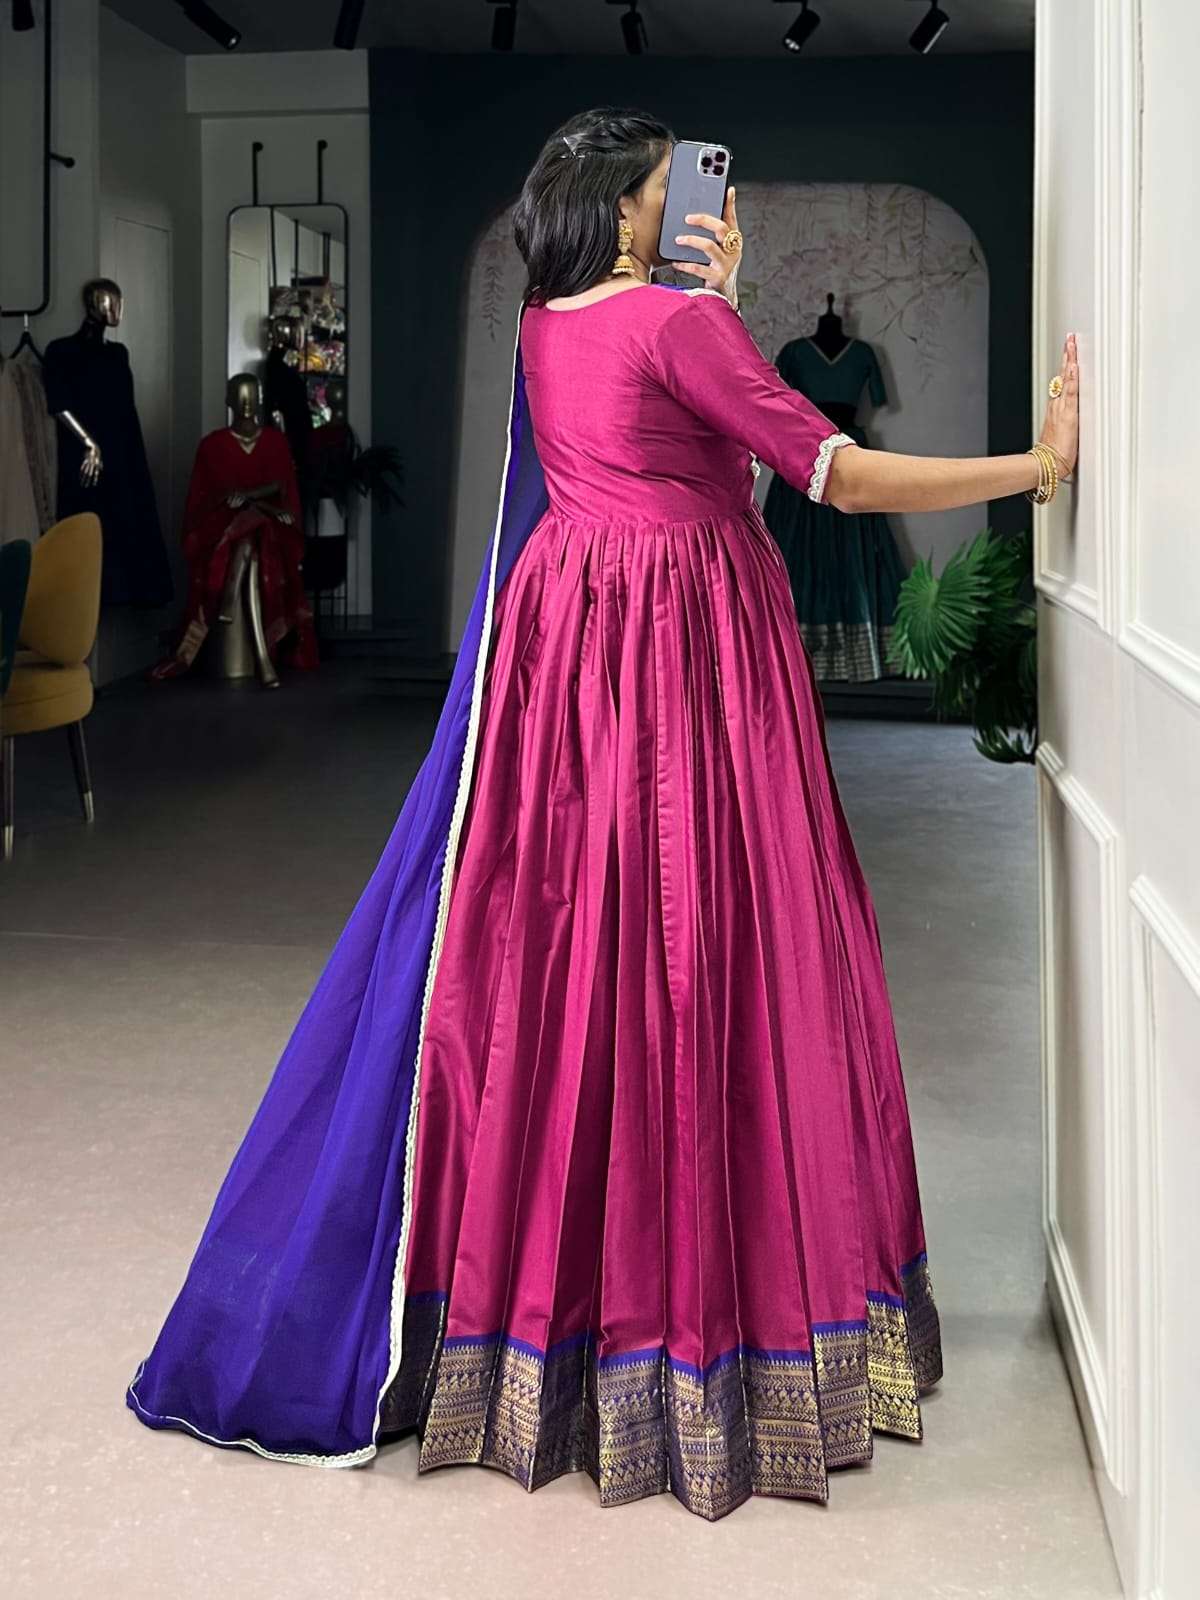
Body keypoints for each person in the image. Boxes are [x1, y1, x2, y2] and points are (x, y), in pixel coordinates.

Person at [125, 107, 1079, 1523]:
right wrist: (1036, 469)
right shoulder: (676, 326)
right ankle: (697, 1330)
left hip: (565, 644)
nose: (680, 200)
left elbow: (664, 437)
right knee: (710, 939)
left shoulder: (545, 323)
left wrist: (725, 303)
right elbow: (831, 472)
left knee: (563, 950)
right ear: (633, 205)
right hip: (688, 646)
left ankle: (532, 1324)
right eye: (664, 185)